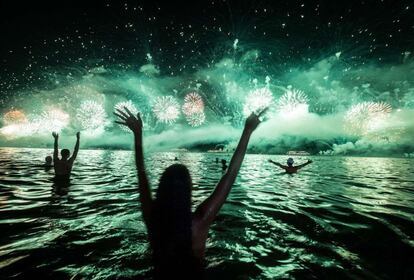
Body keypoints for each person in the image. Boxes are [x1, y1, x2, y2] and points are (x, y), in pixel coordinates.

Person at [114, 107, 265, 279]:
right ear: (188, 191)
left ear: (162, 189)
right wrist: (247, 130)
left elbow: (141, 171)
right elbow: (230, 175)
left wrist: (137, 134)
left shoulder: (153, 219)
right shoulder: (199, 221)